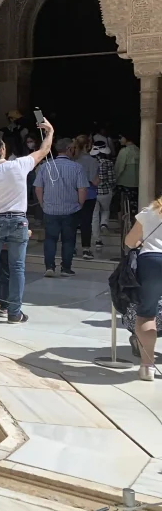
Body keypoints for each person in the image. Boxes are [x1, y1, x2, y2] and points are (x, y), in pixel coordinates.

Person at [0, 120, 55, 323]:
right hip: (18, 220)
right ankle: (14, 313)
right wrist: (50, 131)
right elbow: (44, 150)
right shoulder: (18, 166)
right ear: (3, 149)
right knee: (17, 267)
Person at [34, 138, 88, 278]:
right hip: (71, 209)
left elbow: (38, 187)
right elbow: (82, 189)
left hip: (50, 209)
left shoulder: (45, 166)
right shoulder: (77, 168)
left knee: (50, 239)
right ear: (69, 149)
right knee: (69, 240)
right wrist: (80, 204)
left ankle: (49, 267)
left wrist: (42, 204)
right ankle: (66, 268)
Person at [123, 196, 162, 381]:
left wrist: (141, 243)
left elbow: (130, 241)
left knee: (147, 313)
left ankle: (147, 367)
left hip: (152, 261)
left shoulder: (150, 212)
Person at [72, 135, 100, 260]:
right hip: (89, 194)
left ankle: (71, 247)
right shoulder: (92, 161)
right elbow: (94, 180)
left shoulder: (73, 160)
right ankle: (86, 249)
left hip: (73, 193)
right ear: (88, 146)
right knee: (86, 222)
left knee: (72, 221)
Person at [91, 137, 115, 248]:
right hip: (106, 192)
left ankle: (97, 240)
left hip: (93, 192)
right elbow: (111, 179)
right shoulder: (108, 163)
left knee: (94, 216)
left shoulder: (91, 163)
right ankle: (104, 224)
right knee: (105, 210)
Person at [115, 133, 140, 212]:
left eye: (121, 137)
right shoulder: (139, 150)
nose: (120, 140)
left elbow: (119, 168)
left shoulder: (124, 151)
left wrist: (114, 179)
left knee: (124, 206)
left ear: (126, 138)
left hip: (124, 183)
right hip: (137, 183)